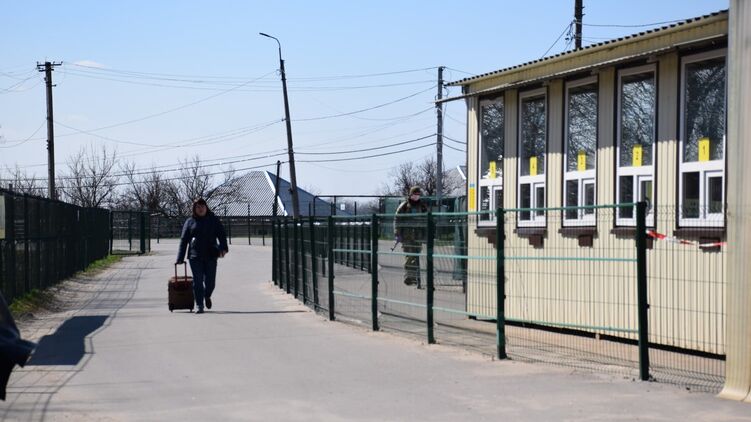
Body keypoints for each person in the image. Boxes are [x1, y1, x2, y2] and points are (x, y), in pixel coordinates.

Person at [176, 198, 229, 314]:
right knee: (198, 281)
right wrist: (180, 258)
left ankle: (207, 295)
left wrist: (223, 248)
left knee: (210, 283)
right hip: (195, 256)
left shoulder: (213, 220)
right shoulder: (190, 222)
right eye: (198, 207)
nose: (201, 209)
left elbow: (222, 235)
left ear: (206, 208)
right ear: (194, 209)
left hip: (211, 255)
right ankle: (200, 305)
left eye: (203, 207)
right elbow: (184, 240)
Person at [394, 186, 428, 286]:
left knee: (416, 256)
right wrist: (398, 234)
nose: (416, 196)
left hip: (418, 236)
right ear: (411, 194)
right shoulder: (404, 206)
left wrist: (426, 235)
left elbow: (426, 220)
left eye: (418, 194)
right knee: (409, 256)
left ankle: (413, 277)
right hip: (407, 236)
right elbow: (397, 219)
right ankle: (409, 276)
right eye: (415, 194)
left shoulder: (422, 206)